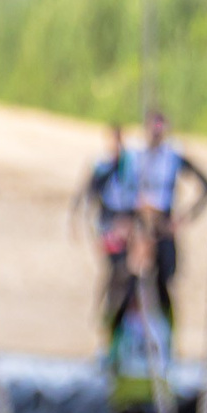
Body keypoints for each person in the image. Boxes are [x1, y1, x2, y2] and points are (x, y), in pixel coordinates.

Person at [106, 219, 194, 413]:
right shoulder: (119, 320)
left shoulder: (163, 316)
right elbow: (120, 292)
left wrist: (159, 242)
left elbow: (162, 280)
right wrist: (133, 264)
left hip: (161, 402)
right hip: (131, 406)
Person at [130, 108, 207, 322]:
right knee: (130, 280)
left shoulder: (172, 157)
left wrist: (186, 217)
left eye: (159, 129)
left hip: (163, 225)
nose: (155, 134)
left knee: (164, 282)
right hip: (139, 225)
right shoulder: (135, 156)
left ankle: (164, 330)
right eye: (152, 129)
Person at [71, 121, 137, 302]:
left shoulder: (130, 164)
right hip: (107, 220)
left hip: (125, 220)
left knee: (125, 265)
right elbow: (86, 191)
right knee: (113, 264)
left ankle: (113, 302)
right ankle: (106, 302)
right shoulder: (101, 164)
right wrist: (76, 218)